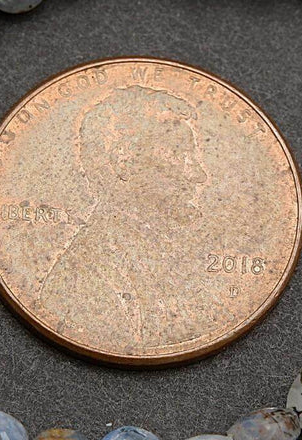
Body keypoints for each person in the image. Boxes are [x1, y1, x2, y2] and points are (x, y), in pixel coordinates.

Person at [38, 84, 209, 353]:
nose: (199, 175)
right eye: (181, 156)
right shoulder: (82, 285)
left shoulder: (160, 262)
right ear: (123, 162)